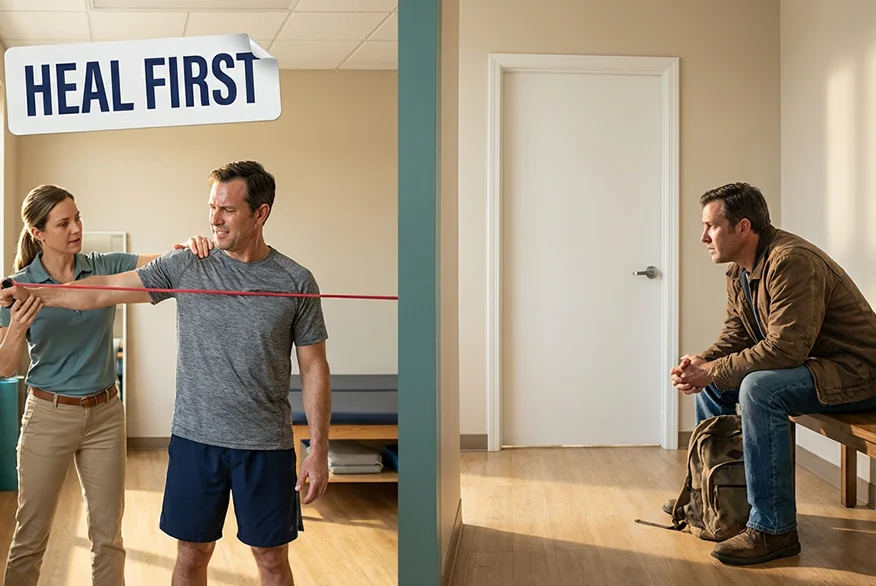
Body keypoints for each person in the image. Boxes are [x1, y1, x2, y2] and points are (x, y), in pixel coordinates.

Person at [2, 161, 332, 586]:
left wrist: (319, 447)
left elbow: (314, 365)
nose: (214, 219)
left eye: (227, 210)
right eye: (211, 207)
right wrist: (30, 292)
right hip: (194, 440)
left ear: (260, 213)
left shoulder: (295, 280)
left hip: (265, 445)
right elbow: (99, 292)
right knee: (191, 557)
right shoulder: (188, 267)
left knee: (271, 560)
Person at [0, 184, 213, 586]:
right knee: (30, 536)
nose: (76, 228)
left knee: (108, 537)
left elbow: (170, 266)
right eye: (63, 223)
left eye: (77, 217)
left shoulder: (105, 265)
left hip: (105, 415)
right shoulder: (17, 286)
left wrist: (191, 245)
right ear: (38, 233)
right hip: (48, 415)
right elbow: (5, 365)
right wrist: (16, 328)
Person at [668, 182, 876, 566]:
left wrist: (712, 370)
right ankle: (719, 499)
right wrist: (699, 365)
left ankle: (773, 529)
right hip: (819, 368)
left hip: (859, 372)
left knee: (759, 388)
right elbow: (737, 336)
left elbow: (786, 348)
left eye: (711, 226)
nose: (703, 237)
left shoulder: (790, 261)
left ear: (742, 227)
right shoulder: (740, 272)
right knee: (716, 387)